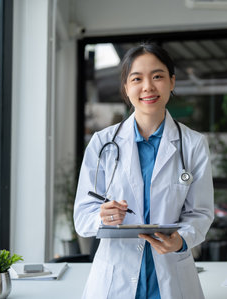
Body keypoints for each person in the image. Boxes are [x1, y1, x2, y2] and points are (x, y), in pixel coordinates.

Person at [74, 43, 214, 299]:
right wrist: (102, 217)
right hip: (115, 280)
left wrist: (180, 240)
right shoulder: (102, 143)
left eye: (158, 76)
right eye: (137, 78)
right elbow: (83, 217)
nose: (148, 86)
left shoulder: (193, 144)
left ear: (172, 82)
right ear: (126, 88)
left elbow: (201, 213)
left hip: (171, 279)